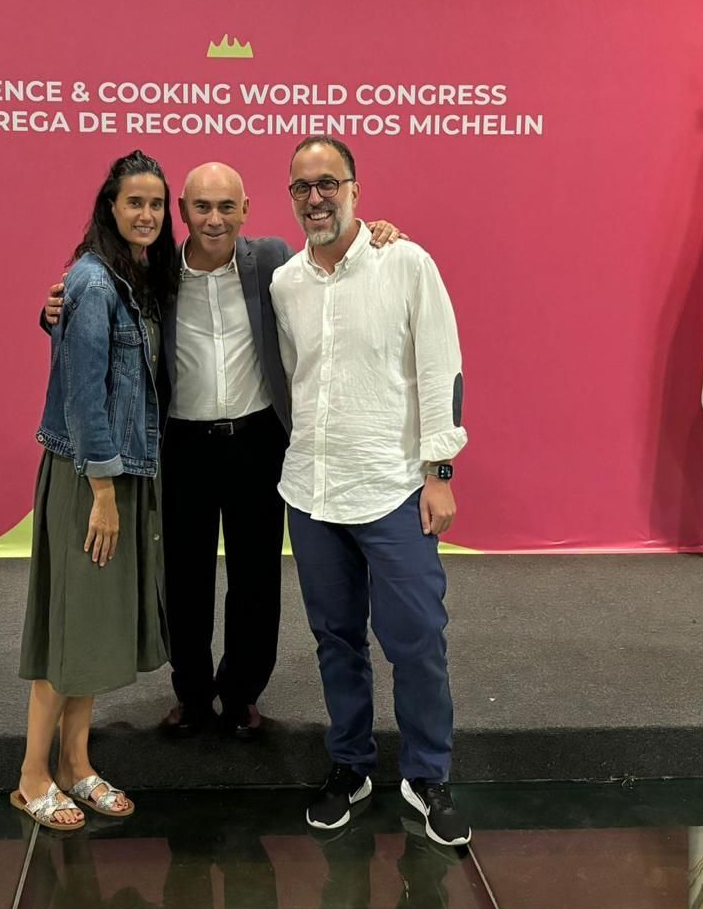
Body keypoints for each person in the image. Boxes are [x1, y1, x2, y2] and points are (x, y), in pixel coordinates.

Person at [44, 162, 402, 741]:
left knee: (257, 579)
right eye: (202, 208)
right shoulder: (152, 273)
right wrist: (50, 312)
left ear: (246, 212)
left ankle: (240, 694)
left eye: (227, 208)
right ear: (182, 212)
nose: (215, 219)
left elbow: (336, 265)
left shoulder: (273, 261)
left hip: (257, 442)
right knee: (182, 579)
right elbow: (102, 319)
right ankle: (190, 694)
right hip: (181, 445)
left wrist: (376, 233)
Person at [271, 135, 472, 847]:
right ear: (291, 196)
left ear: (356, 187)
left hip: (392, 490)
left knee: (417, 640)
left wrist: (438, 473)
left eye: (329, 183)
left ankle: (427, 775)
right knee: (336, 642)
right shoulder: (285, 283)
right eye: (303, 187)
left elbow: (439, 369)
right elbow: (296, 375)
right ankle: (350, 766)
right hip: (313, 491)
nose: (317, 197)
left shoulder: (406, 263)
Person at [16, 150, 178, 831]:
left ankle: (77, 766)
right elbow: (83, 396)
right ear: (110, 206)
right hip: (92, 479)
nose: (147, 214)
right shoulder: (91, 281)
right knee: (69, 628)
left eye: (156, 203)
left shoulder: (132, 278)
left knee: (89, 633)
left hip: (123, 473)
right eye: (134, 202)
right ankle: (31, 778)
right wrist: (106, 492)